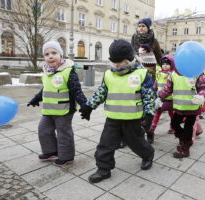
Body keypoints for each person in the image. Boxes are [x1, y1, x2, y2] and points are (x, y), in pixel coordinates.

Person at [80, 39, 155, 183]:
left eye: (120, 61)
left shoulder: (141, 74)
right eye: (114, 61)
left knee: (137, 143)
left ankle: (148, 155)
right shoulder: (109, 74)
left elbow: (149, 96)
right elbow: (101, 92)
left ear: (129, 59)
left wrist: (149, 113)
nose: (116, 64)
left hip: (133, 118)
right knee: (105, 144)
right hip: (113, 118)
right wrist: (89, 106)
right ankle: (103, 169)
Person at [27, 40, 88, 166]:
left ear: (61, 55)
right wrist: (36, 98)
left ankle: (67, 156)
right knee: (43, 130)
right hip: (48, 109)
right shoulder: (46, 72)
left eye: (54, 53)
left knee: (63, 133)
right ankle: (51, 151)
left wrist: (84, 105)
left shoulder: (68, 71)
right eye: (47, 54)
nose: (50, 56)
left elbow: (76, 90)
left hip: (64, 109)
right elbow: (46, 89)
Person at [158, 67, 205, 158]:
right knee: (174, 124)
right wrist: (160, 96)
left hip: (192, 107)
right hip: (179, 106)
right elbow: (167, 89)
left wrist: (202, 96)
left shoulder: (197, 73)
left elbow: (204, 88)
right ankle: (183, 138)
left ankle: (185, 149)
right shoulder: (173, 74)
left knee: (188, 128)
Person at [148, 55, 175, 144]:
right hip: (160, 99)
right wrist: (154, 89)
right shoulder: (159, 72)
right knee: (157, 113)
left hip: (170, 99)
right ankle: (152, 128)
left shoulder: (172, 74)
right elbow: (156, 82)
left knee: (172, 114)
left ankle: (172, 127)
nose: (165, 65)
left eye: (167, 64)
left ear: (171, 65)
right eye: (164, 64)